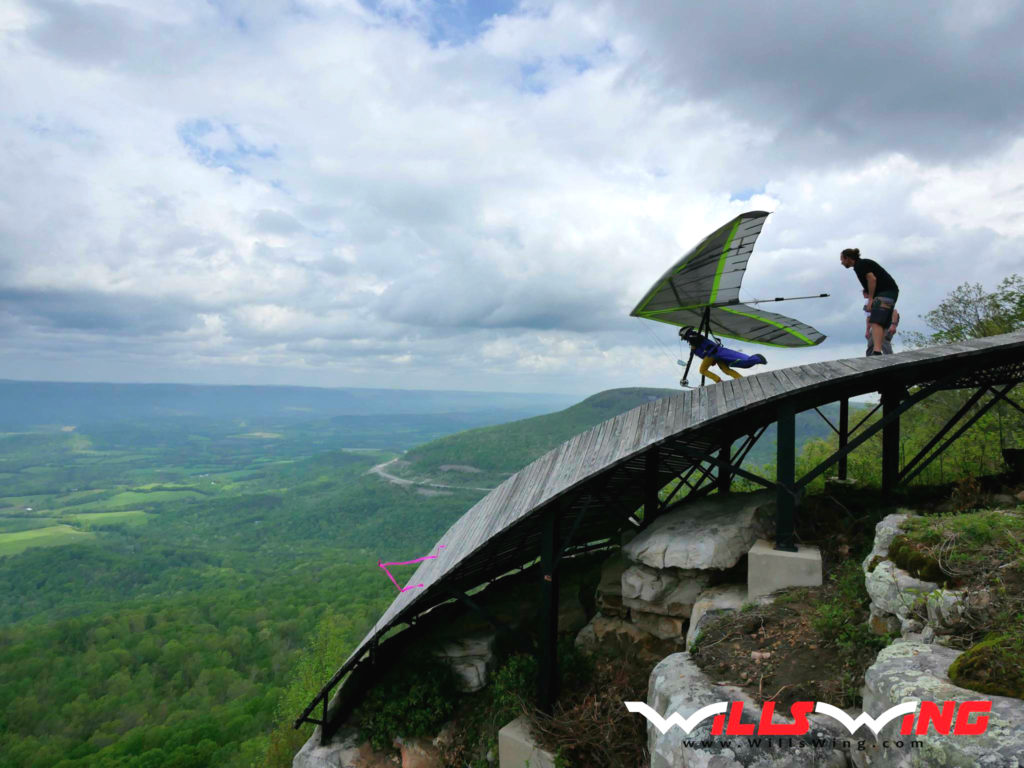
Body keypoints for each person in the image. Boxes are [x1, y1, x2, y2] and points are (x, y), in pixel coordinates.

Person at [840, 248, 899, 356]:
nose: (841, 263)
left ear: (847, 258)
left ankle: (877, 351)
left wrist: (871, 299)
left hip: (885, 292)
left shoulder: (860, 265)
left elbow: (872, 279)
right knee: (881, 324)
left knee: (875, 321)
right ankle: (878, 350)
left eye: (842, 260)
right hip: (890, 291)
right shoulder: (861, 264)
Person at [681, 327, 767, 384]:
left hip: (712, 354)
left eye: (683, 336)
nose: (684, 338)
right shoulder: (694, 336)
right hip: (716, 354)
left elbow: (700, 346)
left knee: (702, 370)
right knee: (726, 370)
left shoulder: (692, 337)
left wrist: (693, 345)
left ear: (685, 334)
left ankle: (718, 381)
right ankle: (741, 380)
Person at [863, 290, 900, 355]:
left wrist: (893, 325)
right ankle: (869, 360)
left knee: (883, 340)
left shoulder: (882, 299)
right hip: (878, 321)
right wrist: (867, 331)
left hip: (889, 320)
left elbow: (894, 312)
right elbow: (868, 318)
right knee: (871, 342)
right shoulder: (867, 302)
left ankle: (890, 359)